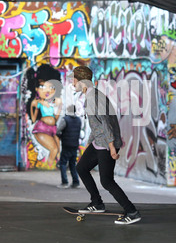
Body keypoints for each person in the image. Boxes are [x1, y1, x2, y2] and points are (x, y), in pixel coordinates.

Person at [72, 66, 141, 225]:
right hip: (99, 142)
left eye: (74, 81)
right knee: (81, 167)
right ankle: (96, 203)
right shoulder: (92, 96)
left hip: (106, 143)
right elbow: (96, 125)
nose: (72, 84)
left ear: (82, 82)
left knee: (107, 181)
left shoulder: (94, 98)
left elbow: (105, 124)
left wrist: (111, 147)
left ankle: (132, 211)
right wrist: (89, 144)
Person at [56, 105, 81, 189]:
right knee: (72, 164)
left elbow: (58, 130)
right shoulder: (79, 120)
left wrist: (60, 136)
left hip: (66, 145)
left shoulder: (65, 119)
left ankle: (64, 182)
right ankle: (76, 182)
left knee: (63, 163)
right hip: (75, 145)